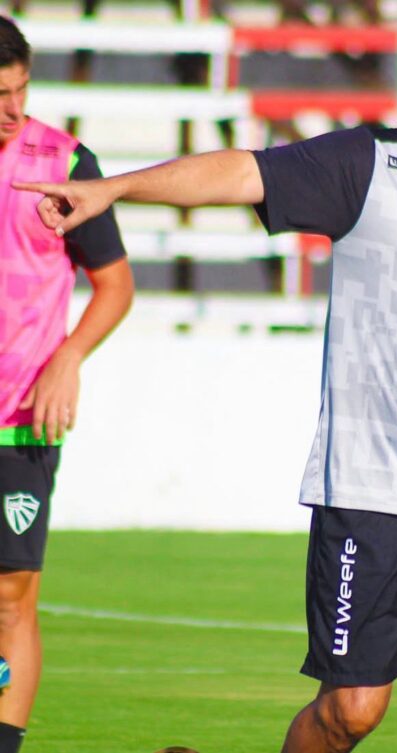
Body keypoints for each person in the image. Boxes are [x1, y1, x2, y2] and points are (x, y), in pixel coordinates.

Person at [18, 17, 397, 753]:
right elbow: (241, 173)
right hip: (376, 495)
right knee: (352, 710)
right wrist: (114, 189)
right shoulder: (370, 166)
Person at [0, 16, 133, 753]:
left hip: (20, 416)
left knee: (10, 598)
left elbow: (115, 284)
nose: (13, 109)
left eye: (21, 90)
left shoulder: (64, 161)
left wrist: (69, 356)